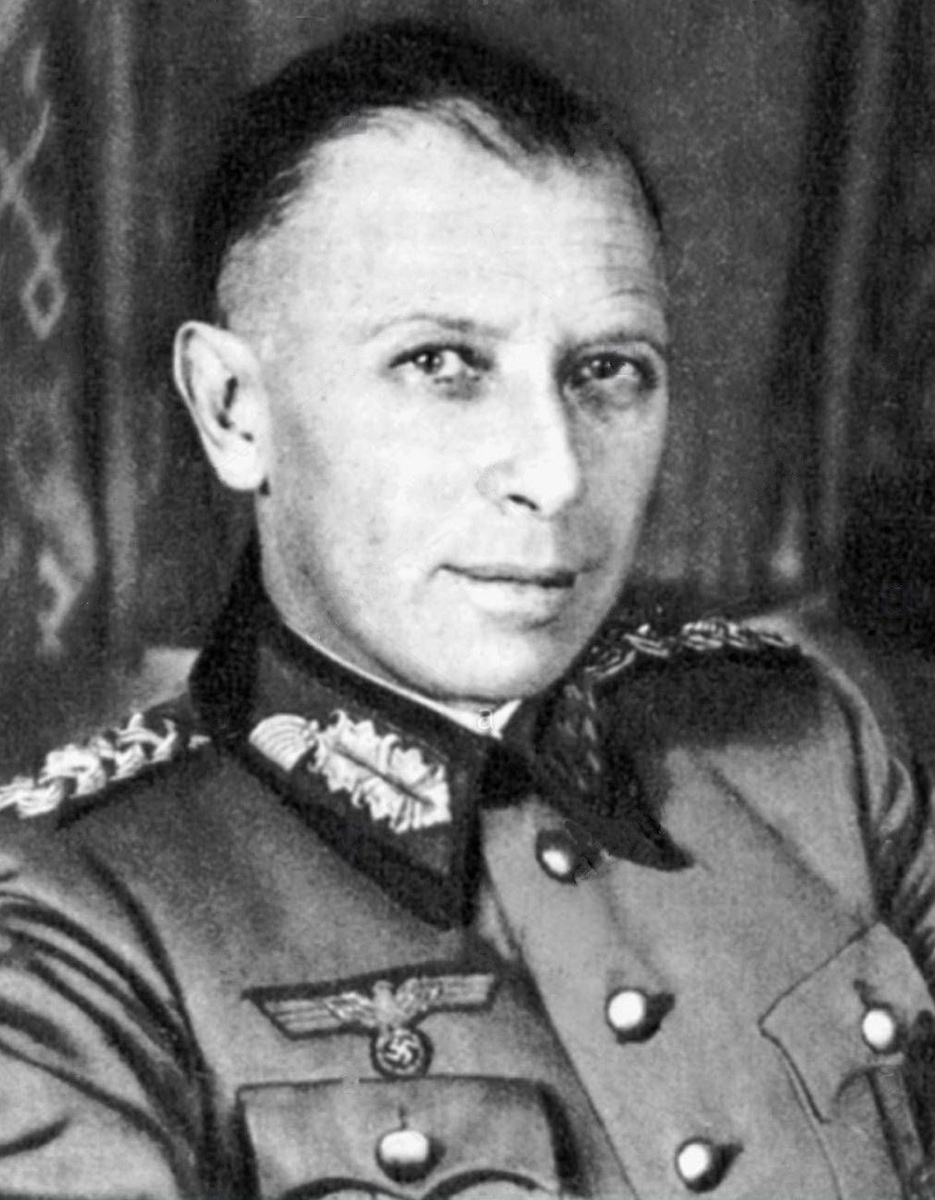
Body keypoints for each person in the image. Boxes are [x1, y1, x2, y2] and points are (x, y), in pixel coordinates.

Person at [0, 18, 934, 1200]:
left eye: (606, 370)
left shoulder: (805, 750)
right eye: (440, 363)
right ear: (235, 410)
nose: (553, 473)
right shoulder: (69, 925)